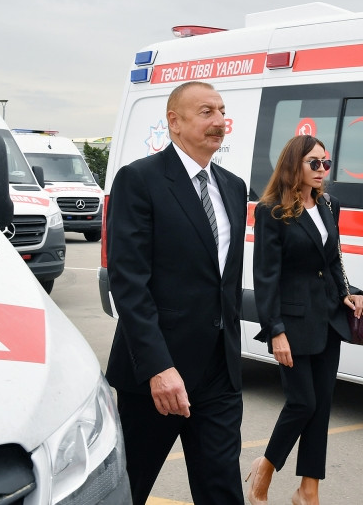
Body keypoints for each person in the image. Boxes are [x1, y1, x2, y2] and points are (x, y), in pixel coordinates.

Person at [105, 81, 247, 505]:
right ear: (175, 121)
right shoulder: (140, 179)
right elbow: (129, 282)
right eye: (206, 112)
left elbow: (224, 280)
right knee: (128, 488)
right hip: (159, 373)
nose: (219, 121)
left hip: (219, 372)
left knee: (222, 488)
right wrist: (157, 367)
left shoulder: (233, 187)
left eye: (222, 111)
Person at [246, 135, 363, 505]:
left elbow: (331, 260)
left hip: (328, 318)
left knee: (322, 406)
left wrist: (349, 292)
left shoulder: (329, 205)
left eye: (325, 163)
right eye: (313, 163)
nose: (321, 170)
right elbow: (265, 277)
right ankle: (265, 467)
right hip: (293, 323)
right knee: (302, 404)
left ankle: (308, 491)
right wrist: (275, 330)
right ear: (293, 164)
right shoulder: (271, 211)